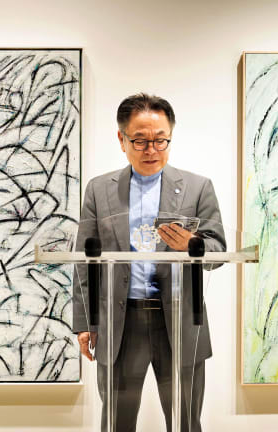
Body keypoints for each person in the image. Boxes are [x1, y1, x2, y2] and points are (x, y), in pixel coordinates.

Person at [72, 93, 226, 432]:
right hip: (120, 321)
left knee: (185, 420)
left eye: (160, 140)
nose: (151, 150)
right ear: (121, 139)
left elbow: (218, 253)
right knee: (116, 420)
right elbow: (86, 260)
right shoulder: (99, 190)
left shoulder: (198, 188)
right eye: (140, 141)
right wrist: (85, 321)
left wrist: (194, 245)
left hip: (181, 319)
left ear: (171, 136)